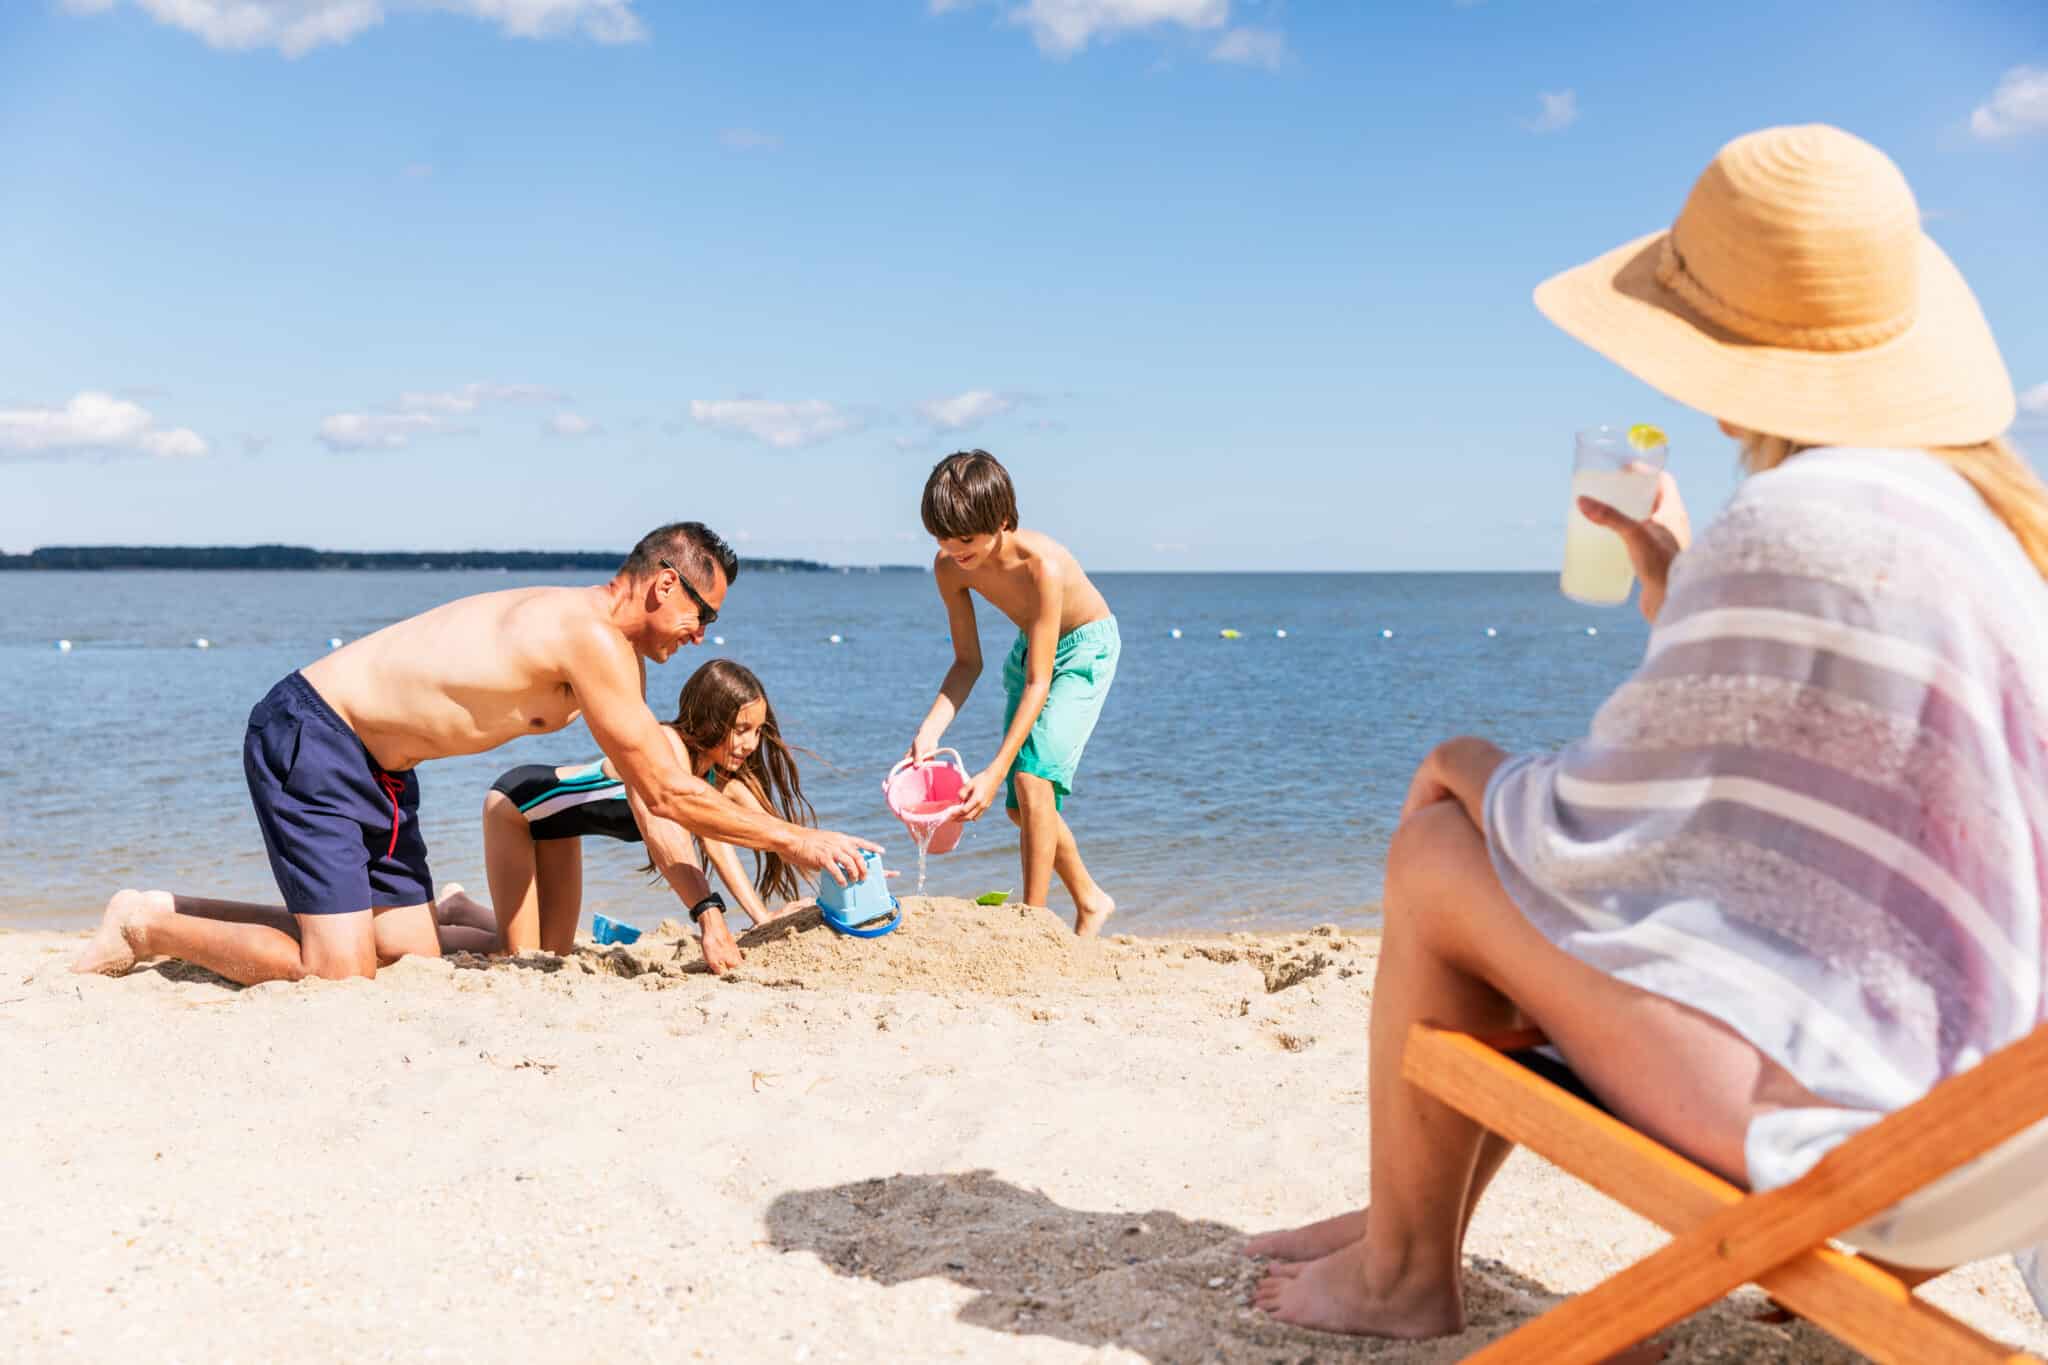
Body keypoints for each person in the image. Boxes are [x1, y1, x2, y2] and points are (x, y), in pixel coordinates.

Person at [1249, 124, 2048, 1339]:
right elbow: (1797, 793)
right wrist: (1677, 579)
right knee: (1500, 875)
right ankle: (1395, 1221)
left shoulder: (1795, 520)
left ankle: (1403, 1269)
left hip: (1857, 1121)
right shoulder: (1973, 525)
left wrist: (1461, 763)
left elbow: (1604, 840)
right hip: (1978, 1117)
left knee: (1443, 862)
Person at [71, 522, 877, 986]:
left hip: (385, 774)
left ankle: (186, 908)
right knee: (342, 975)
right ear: (665, 583)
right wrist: (800, 840)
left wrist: (705, 913)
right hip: (315, 733)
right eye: (702, 614)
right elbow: (671, 794)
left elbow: (650, 798)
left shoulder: (615, 661)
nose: (703, 636)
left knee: (406, 952)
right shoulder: (586, 635)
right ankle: (146, 924)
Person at [434, 659, 815, 973]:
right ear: (711, 718)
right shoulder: (665, 747)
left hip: (560, 828)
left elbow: (768, 833)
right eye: (741, 730)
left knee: (553, 952)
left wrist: (778, 910)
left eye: (757, 731)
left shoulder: (718, 778)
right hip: (517, 806)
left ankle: (461, 906)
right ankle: (437, 918)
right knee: (513, 953)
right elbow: (706, 840)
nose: (751, 743)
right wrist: (723, 916)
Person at [906, 449, 1121, 935]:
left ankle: (1033, 924)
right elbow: (967, 662)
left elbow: (1041, 682)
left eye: (966, 538)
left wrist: (994, 768)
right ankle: (1090, 899)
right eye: (941, 536)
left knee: (1029, 782)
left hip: (1084, 649)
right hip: (1034, 647)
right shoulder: (950, 567)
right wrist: (930, 729)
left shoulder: (1041, 566)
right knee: (1018, 807)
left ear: (1003, 520)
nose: (954, 548)